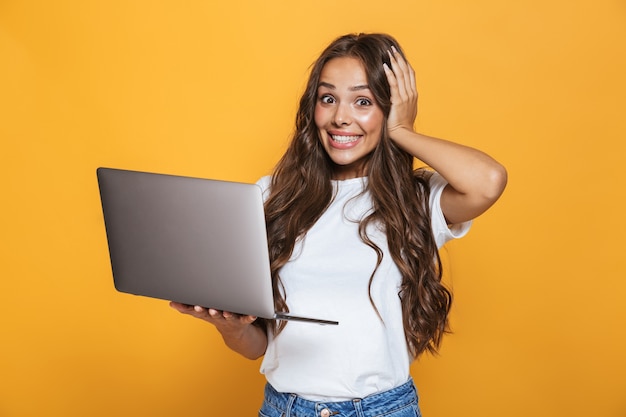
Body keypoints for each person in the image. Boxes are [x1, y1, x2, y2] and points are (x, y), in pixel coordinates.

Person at [171, 33, 507, 417]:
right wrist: (230, 327)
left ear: (390, 108)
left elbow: (489, 181)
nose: (340, 117)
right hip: (284, 408)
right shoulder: (271, 196)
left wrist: (404, 133)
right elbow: (258, 345)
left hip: (382, 410)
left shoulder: (414, 198)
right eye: (327, 98)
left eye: (363, 102)